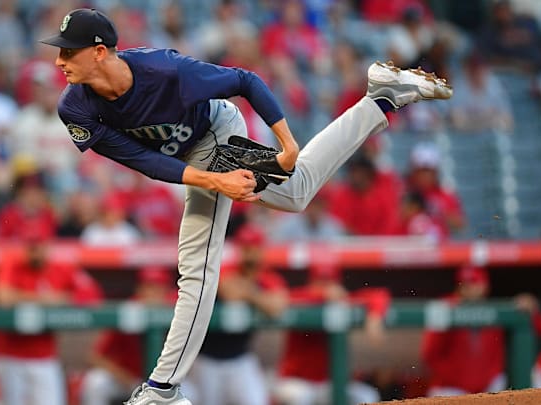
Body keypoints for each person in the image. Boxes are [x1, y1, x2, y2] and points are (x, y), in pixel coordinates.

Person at [39, 8, 452, 404]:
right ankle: (380, 99)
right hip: (192, 159)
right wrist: (215, 181)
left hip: (215, 129)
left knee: (197, 268)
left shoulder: (163, 70)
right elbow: (144, 161)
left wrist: (288, 143)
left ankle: (162, 388)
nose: (59, 61)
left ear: (99, 51)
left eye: (68, 51)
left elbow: (246, 81)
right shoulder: (74, 106)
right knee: (297, 191)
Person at [0, 224, 103, 405]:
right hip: (10, 354)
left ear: (47, 246)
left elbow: (91, 295)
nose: (35, 252)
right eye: (31, 246)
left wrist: (63, 298)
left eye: (39, 246)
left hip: (44, 356)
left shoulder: (60, 268)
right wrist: (44, 299)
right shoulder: (12, 263)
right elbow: (2, 297)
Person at [187, 223, 288, 405]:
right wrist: (258, 296)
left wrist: (249, 293)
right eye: (245, 247)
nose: (249, 253)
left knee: (257, 401)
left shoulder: (267, 277)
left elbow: (277, 306)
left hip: (241, 357)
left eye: (254, 247)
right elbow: (231, 293)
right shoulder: (227, 268)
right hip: (207, 357)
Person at [274, 261, 384, 405]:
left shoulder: (340, 301)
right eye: (320, 282)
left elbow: (379, 295)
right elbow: (287, 300)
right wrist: (321, 296)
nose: (325, 287)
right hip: (296, 381)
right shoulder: (300, 297)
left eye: (329, 282)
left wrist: (375, 314)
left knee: (367, 396)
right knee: (300, 397)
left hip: (330, 385)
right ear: (311, 282)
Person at [80, 266, 178, 405]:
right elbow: (94, 357)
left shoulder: (175, 308)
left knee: (190, 392)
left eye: (159, 287)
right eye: (149, 287)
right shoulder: (129, 311)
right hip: (129, 379)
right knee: (96, 383)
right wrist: (125, 377)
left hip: (163, 381)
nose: (154, 293)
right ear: (140, 289)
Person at [420, 266, 506, 396]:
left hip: (485, 388)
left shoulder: (494, 311)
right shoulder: (445, 307)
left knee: (501, 382)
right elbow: (429, 354)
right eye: (464, 283)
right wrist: (460, 379)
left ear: (485, 286)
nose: (468, 288)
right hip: (450, 388)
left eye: (473, 283)